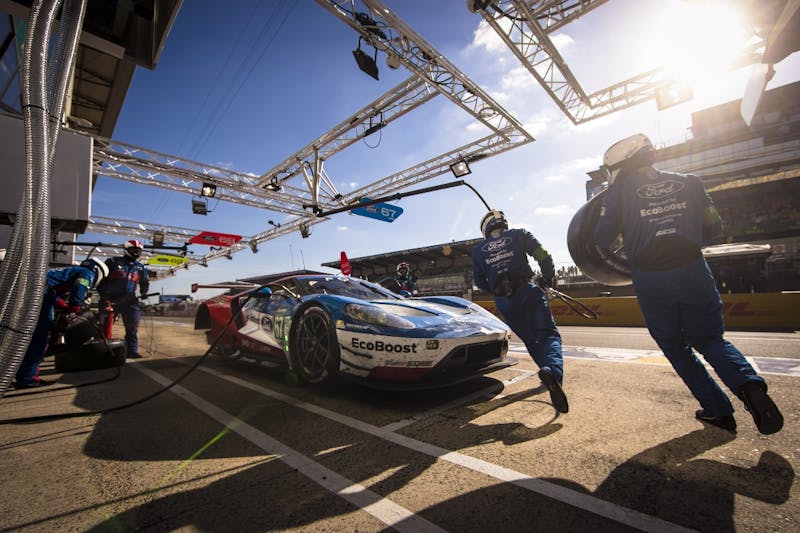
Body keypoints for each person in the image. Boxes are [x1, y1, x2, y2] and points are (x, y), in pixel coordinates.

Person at [594, 133, 783, 435]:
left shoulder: (616, 193)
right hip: (693, 269)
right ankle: (750, 388)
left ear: (620, 165)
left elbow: (602, 238)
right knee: (711, 340)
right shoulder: (692, 182)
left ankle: (718, 410)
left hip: (650, 278)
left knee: (675, 346)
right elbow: (715, 228)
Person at [472, 210, 568, 413]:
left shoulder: (478, 250)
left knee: (531, 340)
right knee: (548, 334)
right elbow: (543, 255)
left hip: (504, 301)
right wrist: (548, 277)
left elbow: (479, 282)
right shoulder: (518, 234)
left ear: (485, 228)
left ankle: (547, 372)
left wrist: (500, 292)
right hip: (527, 290)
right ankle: (552, 372)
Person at [14, 257, 109, 389]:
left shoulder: (69, 270)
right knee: (39, 339)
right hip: (39, 296)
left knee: (24, 337)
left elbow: (52, 290)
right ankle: (27, 378)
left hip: (34, 293)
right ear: (99, 272)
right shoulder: (87, 273)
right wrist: (75, 307)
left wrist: (64, 305)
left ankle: (21, 374)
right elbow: (80, 286)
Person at [98, 239, 150, 359]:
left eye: (138, 251)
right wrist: (104, 296)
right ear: (126, 250)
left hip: (130, 300)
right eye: (133, 250)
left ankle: (131, 351)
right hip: (110, 299)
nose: (136, 253)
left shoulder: (140, 267)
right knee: (104, 326)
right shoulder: (113, 262)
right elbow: (101, 279)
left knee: (132, 327)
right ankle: (102, 351)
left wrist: (143, 292)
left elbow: (144, 282)